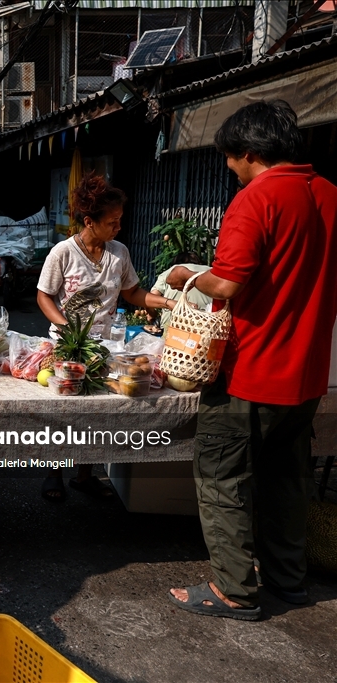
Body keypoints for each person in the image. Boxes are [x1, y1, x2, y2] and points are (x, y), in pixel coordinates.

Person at [165, 100, 337, 620]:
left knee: (222, 479)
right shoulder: (329, 193)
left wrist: (184, 277)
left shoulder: (256, 198)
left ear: (248, 152)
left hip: (251, 373)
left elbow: (228, 282)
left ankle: (234, 590)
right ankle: (288, 579)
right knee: (287, 480)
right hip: (308, 376)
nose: (228, 168)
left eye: (229, 158)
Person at [36, 171, 175, 502]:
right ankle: (53, 471)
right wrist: (65, 325)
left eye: (119, 220)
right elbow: (43, 295)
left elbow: (133, 292)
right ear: (89, 221)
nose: (118, 227)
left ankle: (85, 475)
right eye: (112, 222)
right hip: (67, 346)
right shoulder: (63, 253)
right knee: (62, 414)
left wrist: (168, 301)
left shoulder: (119, 253)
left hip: (105, 346)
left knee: (96, 414)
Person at [150, 252, 211, 330]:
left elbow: (152, 298)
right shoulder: (209, 271)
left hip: (172, 328)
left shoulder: (171, 271)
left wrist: (152, 315)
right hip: (205, 327)